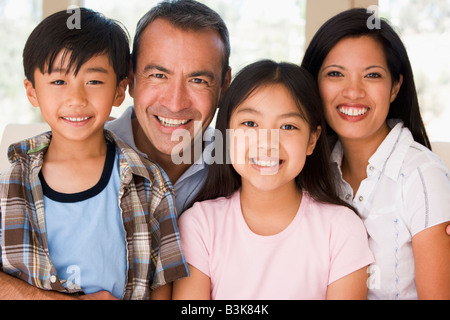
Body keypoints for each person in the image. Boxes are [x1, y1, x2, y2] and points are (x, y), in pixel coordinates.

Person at [0, 8, 188, 300]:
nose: (76, 99)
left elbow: (161, 284)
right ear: (32, 91)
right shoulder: (9, 186)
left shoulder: (150, 183)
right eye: (59, 82)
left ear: (119, 90)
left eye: (94, 81)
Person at [172, 60, 375, 300]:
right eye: (250, 123)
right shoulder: (199, 225)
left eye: (287, 126)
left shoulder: (341, 228)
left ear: (312, 139)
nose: (267, 143)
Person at [301, 8, 450, 299]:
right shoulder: (306, 167)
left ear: (395, 86)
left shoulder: (423, 176)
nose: (353, 92)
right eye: (335, 74)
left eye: (371, 75)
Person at [106, 0, 231, 215]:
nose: (175, 104)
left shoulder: (241, 166)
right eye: (158, 75)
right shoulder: (76, 154)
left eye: (198, 80)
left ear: (224, 86)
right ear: (131, 78)